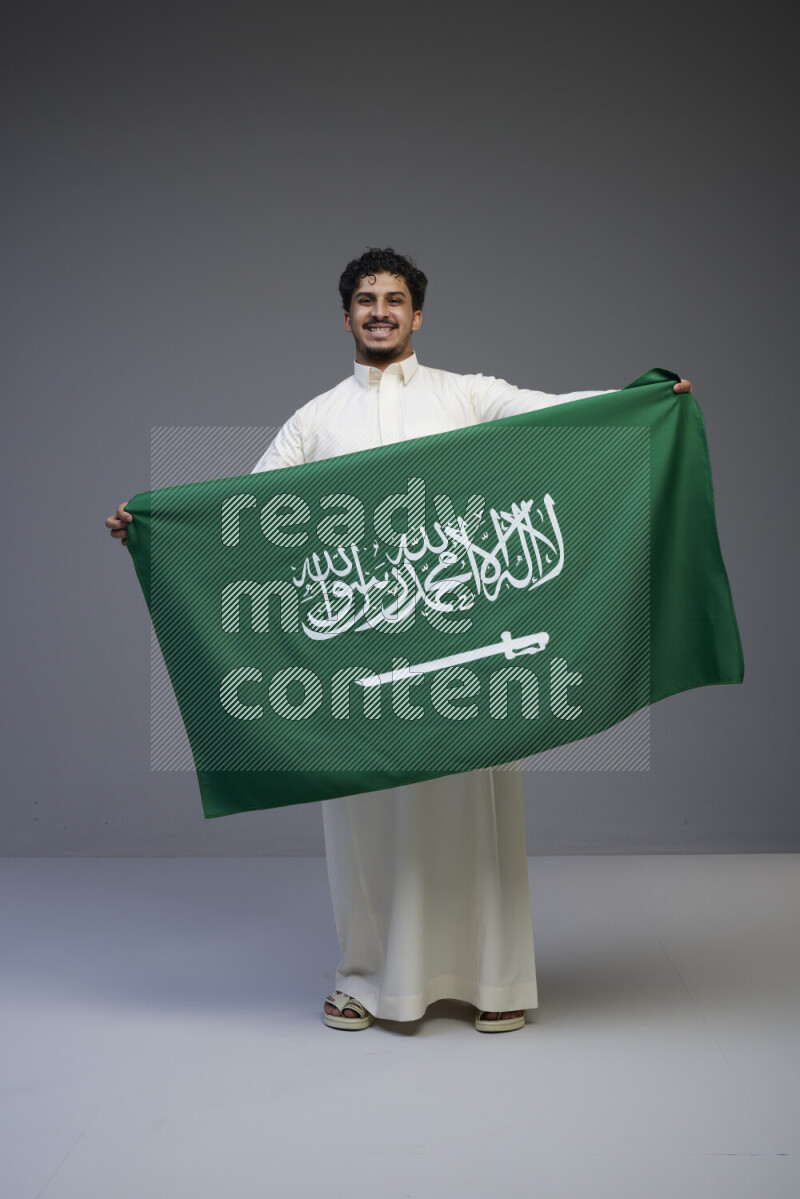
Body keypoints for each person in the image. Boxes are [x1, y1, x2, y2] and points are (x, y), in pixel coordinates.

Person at [107, 248, 692, 1033]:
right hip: (358, 665)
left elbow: (559, 416)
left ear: (418, 314)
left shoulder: (467, 394)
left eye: (394, 299)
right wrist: (155, 533)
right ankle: (364, 981)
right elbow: (242, 516)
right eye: (364, 299)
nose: (379, 311)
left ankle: (497, 981)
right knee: (365, 826)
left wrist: (640, 402)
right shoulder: (316, 419)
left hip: (465, 650)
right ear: (345, 315)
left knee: (474, 812)